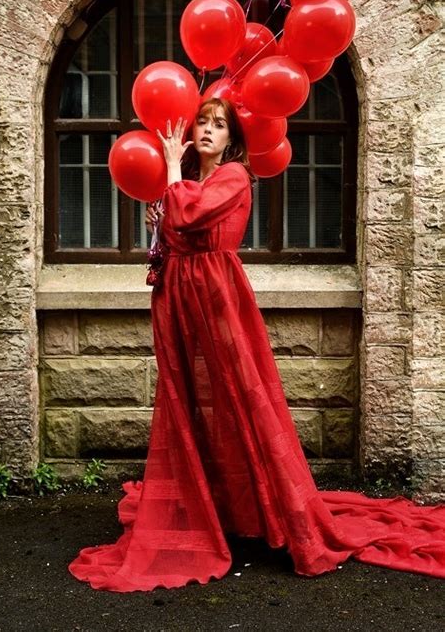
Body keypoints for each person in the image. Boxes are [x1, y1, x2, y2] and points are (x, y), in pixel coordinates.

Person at [68, 98, 445, 592]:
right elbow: (167, 233)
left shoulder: (233, 177)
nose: (206, 130)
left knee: (239, 392)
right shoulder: (191, 180)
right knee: (186, 401)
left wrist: (166, 168)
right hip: (177, 295)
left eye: (218, 125)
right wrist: (161, 217)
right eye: (202, 121)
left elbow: (190, 215)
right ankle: (211, 501)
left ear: (232, 139)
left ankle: (275, 508)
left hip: (216, 294)